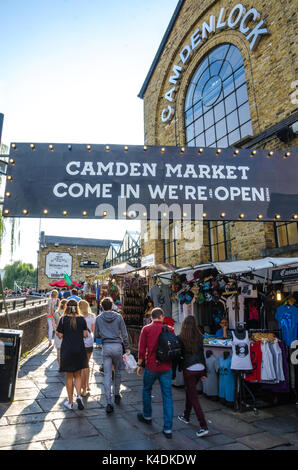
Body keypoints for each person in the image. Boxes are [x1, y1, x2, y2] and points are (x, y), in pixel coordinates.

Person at [137, 307, 174, 439]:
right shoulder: (170, 329)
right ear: (162, 316)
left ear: (151, 317)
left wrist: (139, 365)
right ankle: (168, 428)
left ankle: (147, 415)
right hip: (166, 367)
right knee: (167, 396)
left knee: (147, 389)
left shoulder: (146, 329)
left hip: (152, 366)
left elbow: (142, 349)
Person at [94, 297, 130, 414]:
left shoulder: (99, 318)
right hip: (117, 346)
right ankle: (117, 394)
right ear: (112, 305)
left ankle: (109, 403)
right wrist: (127, 347)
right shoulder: (118, 317)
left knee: (107, 375)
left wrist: (104, 335)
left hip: (106, 346)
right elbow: (124, 333)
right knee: (118, 372)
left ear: (102, 306)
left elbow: (96, 335)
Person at [176, 315, 209, 438]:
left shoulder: (181, 337)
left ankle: (203, 426)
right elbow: (202, 354)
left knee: (194, 397)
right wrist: (204, 372)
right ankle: (186, 416)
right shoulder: (200, 336)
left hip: (189, 369)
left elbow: (179, 355)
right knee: (190, 392)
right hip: (200, 367)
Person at [56, 299, 88, 410]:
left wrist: (57, 330)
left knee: (69, 376)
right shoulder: (81, 319)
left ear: (67, 307)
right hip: (79, 349)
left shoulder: (63, 319)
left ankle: (70, 402)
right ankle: (79, 396)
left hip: (67, 350)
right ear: (77, 307)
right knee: (78, 375)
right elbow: (85, 334)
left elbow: (60, 336)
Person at [79, 299, 96, 396]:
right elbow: (93, 331)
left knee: (82, 366)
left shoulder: (78, 317)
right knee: (87, 364)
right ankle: (87, 384)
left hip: (80, 344)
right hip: (89, 343)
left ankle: (83, 388)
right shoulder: (92, 317)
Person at [53, 298, 68, 368]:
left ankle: (60, 367)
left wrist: (56, 331)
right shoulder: (68, 314)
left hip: (58, 333)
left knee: (58, 352)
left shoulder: (56, 313)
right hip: (66, 335)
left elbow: (54, 325)